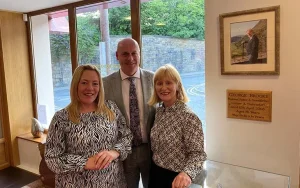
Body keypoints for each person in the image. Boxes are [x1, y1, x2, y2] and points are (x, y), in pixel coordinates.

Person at [45, 64, 133, 188]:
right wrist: (84, 162)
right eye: (84, 83)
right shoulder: (61, 117)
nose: (90, 88)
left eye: (95, 83)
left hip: (113, 182)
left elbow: (127, 136)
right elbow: (52, 159)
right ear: (76, 84)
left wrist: (114, 152)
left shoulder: (111, 108)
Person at [103, 38, 155, 188]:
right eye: (125, 54)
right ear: (117, 56)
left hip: (151, 151)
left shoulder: (154, 79)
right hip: (122, 154)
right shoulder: (105, 84)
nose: (130, 58)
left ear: (140, 54)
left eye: (134, 53)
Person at [148, 64, 207, 188]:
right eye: (159, 83)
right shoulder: (159, 111)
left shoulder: (188, 117)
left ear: (178, 85)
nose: (163, 87)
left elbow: (198, 154)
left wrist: (186, 174)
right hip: (156, 175)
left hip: (177, 180)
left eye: (168, 83)